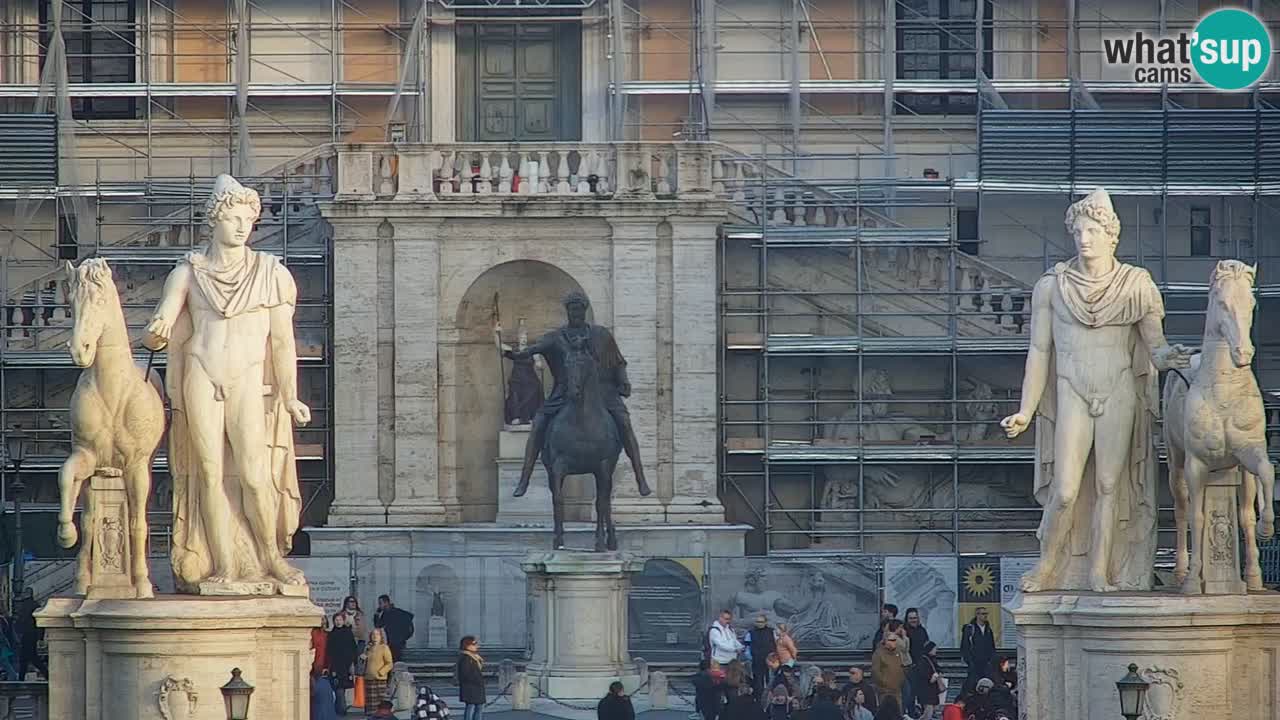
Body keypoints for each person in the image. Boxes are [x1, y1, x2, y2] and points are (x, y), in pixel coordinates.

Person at [1000, 187, 1191, 593]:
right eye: (1078, 232)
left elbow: (1154, 348)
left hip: (1118, 389)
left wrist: (1171, 357)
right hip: (1072, 391)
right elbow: (1038, 351)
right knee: (1066, 490)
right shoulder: (1052, 286)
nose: (1084, 239)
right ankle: (1048, 565)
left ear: (1111, 235)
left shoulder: (1137, 285)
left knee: (1110, 486)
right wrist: (1026, 410)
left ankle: (1098, 572)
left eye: (1092, 231)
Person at [142, 174, 312, 593]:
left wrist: (290, 396)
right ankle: (223, 565)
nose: (242, 227)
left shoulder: (270, 272)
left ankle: (271, 557)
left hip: (248, 379)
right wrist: (158, 330)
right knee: (208, 472)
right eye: (234, 218)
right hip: (202, 371)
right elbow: (157, 326)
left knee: (254, 475)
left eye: (248, 220)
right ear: (213, 220)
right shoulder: (188, 271)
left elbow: (283, 343)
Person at [506, 291, 651, 498]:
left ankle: (640, 478)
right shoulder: (556, 337)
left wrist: (623, 381)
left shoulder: (601, 334)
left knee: (624, 423)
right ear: (568, 312)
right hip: (565, 392)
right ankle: (524, 479)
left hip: (604, 391)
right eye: (573, 310)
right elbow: (534, 348)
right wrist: (517, 354)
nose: (576, 313)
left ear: (585, 311)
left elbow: (618, 361)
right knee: (538, 424)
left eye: (580, 309)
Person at [328, 608, 359, 715]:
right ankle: (341, 710)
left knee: (344, 688)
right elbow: (329, 651)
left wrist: (353, 663)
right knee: (338, 687)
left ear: (343, 620)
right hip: (336, 665)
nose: (338, 621)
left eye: (340, 619)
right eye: (336, 620)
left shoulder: (348, 632)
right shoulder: (331, 634)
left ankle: (341, 708)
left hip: (347, 664)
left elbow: (353, 648)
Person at [14, 590, 45, 679]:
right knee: (30, 657)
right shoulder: (36, 605)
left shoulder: (24, 606)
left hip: (26, 634)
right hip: (33, 635)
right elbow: (39, 623)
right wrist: (40, 637)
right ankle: (21, 677)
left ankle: (21, 677)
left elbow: (21, 621)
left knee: (26, 657)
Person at [375, 594, 416, 662]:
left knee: (396, 663)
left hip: (398, 644)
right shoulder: (384, 614)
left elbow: (410, 625)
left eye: (380, 603)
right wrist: (376, 614)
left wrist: (404, 637)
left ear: (386, 603)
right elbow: (378, 627)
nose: (379, 606)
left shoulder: (399, 612)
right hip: (389, 643)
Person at [364, 629, 395, 715]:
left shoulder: (384, 647)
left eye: (377, 634)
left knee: (381, 701)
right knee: (370, 702)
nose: (375, 636)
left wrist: (381, 672)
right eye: (373, 634)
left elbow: (389, 663)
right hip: (368, 678)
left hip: (379, 679)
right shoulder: (368, 648)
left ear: (381, 636)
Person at [870, 633, 906, 708]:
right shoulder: (878, 653)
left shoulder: (898, 652)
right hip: (885, 690)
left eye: (895, 640)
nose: (894, 642)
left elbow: (901, 667)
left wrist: (901, 680)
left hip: (897, 690)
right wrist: (884, 682)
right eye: (892, 640)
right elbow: (875, 671)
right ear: (885, 641)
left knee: (898, 711)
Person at [959, 608, 996, 681]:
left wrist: (992, 659)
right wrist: (969, 661)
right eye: (983, 614)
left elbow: (992, 646)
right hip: (974, 661)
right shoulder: (970, 628)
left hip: (986, 662)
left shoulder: (988, 629)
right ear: (977, 615)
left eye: (986, 614)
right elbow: (965, 645)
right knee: (973, 681)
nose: (985, 616)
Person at [456, 635, 486, 720]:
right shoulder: (466, 658)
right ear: (467, 645)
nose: (477, 646)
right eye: (474, 644)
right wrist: (477, 680)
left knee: (478, 707)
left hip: (476, 687)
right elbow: (465, 674)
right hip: (470, 687)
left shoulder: (474, 657)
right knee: (471, 707)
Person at [914, 642, 943, 720]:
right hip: (927, 692)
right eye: (934, 648)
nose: (936, 650)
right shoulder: (924, 661)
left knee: (927, 713)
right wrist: (932, 677)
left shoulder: (929, 659)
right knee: (928, 714)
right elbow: (923, 675)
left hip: (930, 692)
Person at [749, 614, 778, 691]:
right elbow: (747, 645)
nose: (759, 623)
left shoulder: (771, 631)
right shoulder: (751, 632)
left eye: (761, 622)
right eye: (758, 622)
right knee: (758, 682)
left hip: (770, 660)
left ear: (765, 622)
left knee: (770, 681)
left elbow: (777, 644)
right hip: (757, 661)